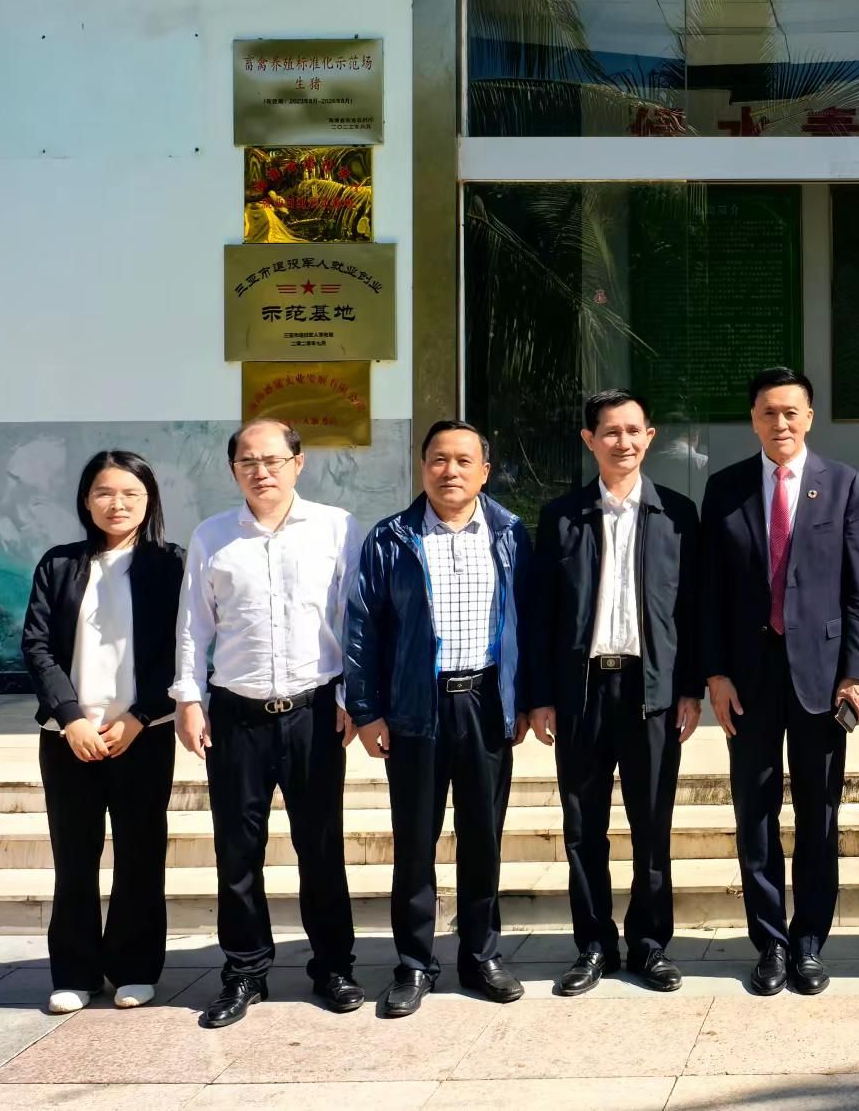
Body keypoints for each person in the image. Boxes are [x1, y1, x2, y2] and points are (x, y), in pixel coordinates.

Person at [172, 417, 364, 1029]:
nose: (262, 472)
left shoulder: (337, 528)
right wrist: (188, 698)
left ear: (298, 463)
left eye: (273, 460)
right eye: (248, 462)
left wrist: (353, 696)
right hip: (237, 716)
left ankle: (333, 966)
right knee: (237, 852)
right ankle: (244, 972)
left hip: (315, 711)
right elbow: (193, 624)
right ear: (234, 470)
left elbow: (355, 617)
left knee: (321, 847)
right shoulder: (212, 535)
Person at [343, 419, 535, 1017]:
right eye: (438, 460)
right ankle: (414, 962)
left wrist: (524, 699)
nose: (450, 471)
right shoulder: (391, 538)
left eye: (463, 460)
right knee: (415, 841)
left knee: (483, 838)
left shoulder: (510, 534)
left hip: (485, 704)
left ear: (485, 470)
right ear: (423, 466)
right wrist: (366, 709)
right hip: (415, 708)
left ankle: (480, 956)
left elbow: (529, 622)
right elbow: (363, 626)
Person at [701, 367, 859, 996]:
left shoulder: (843, 483)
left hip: (822, 677)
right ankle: (770, 942)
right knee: (755, 811)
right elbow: (709, 591)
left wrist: (857, 673)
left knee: (819, 812)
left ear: (809, 418)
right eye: (768, 413)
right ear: (753, 419)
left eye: (791, 412)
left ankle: (808, 942)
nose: (780, 423)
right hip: (747, 676)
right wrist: (715, 673)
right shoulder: (724, 488)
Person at [523, 390, 702, 996]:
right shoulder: (562, 516)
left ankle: (650, 945)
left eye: (633, 430)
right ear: (589, 440)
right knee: (583, 827)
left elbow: (691, 610)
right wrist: (541, 696)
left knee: (652, 823)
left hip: (651, 692)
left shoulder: (677, 514)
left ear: (649, 436)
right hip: (582, 692)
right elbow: (541, 614)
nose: (622, 442)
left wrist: (689, 688)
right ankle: (594, 945)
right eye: (610, 432)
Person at [20, 450, 182, 1015]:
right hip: (69, 737)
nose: (118, 503)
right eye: (105, 492)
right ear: (86, 500)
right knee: (74, 855)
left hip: (143, 733)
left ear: (149, 500)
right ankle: (75, 971)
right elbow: (37, 645)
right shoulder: (59, 564)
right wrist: (69, 717)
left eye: (131, 493)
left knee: (141, 852)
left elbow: (182, 648)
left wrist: (140, 716)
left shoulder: (170, 564)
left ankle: (135, 967)